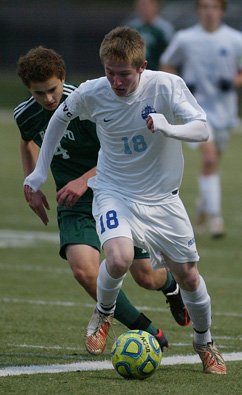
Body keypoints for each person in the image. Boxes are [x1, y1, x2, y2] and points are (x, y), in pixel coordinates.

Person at [23, 28, 226, 374]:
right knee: (118, 258)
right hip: (114, 192)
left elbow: (201, 127)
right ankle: (103, 313)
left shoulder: (166, 86)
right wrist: (40, 171)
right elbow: (60, 118)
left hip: (163, 200)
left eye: (124, 74)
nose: (116, 82)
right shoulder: (93, 92)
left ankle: (204, 341)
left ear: (142, 67)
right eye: (110, 72)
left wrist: (168, 127)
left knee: (189, 277)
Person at [160, 0, 242, 238]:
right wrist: (182, 84)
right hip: (195, 111)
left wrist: (233, 82)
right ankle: (216, 219)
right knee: (208, 160)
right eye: (204, 7)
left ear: (222, 11)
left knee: (213, 163)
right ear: (198, 10)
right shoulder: (185, 38)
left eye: (214, 7)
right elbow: (166, 64)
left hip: (225, 114)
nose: (209, 12)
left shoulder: (235, 39)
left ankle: (203, 208)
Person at [125, 0, 174, 70]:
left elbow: (170, 54)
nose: (145, 8)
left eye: (148, 5)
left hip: (157, 70)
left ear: (156, 6)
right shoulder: (131, 28)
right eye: (142, 5)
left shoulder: (164, 29)